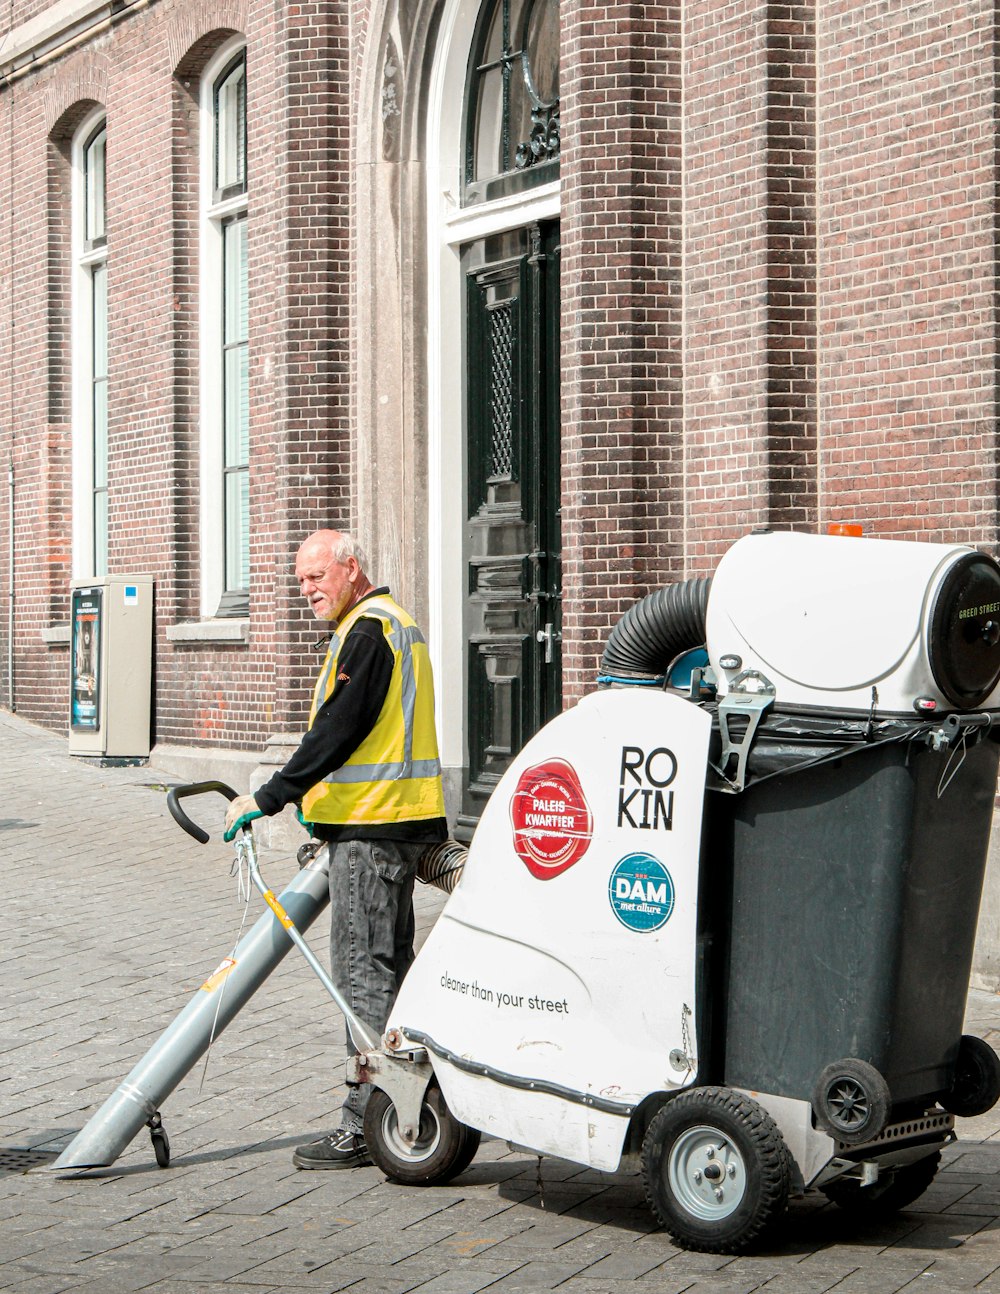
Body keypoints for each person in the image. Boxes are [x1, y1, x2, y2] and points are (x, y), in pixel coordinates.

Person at [224, 529, 447, 1169]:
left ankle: (367, 1122)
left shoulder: (369, 631)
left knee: (361, 978)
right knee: (389, 972)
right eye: (300, 582)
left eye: (316, 577)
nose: (307, 591)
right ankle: (414, 1102)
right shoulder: (391, 625)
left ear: (351, 569)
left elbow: (338, 730)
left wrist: (269, 796)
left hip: (370, 832)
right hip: (393, 826)